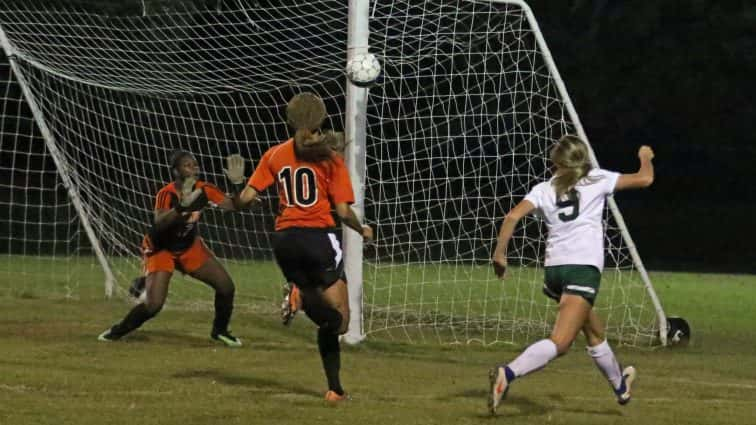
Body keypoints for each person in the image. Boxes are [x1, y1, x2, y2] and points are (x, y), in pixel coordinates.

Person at [488, 135, 655, 415]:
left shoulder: (544, 188)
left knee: (593, 331)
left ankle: (620, 387)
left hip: (555, 271)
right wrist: (645, 157)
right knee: (561, 342)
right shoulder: (596, 179)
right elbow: (645, 179)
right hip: (582, 268)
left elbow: (511, 217)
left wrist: (499, 255)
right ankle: (508, 373)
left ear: (556, 162)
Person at [236, 92, 372, 402]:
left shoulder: (274, 155)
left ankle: (335, 390)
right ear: (320, 120)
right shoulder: (330, 158)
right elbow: (341, 211)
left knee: (324, 313)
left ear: (291, 120)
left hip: (284, 243)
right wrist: (361, 228)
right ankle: (333, 386)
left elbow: (245, 198)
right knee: (340, 321)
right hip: (317, 240)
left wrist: (234, 193)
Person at [98, 150, 251, 347]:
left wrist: (239, 184)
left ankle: (220, 331)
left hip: (188, 247)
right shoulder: (166, 193)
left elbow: (234, 205)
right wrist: (181, 207)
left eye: (195, 164)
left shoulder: (204, 189)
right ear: (175, 171)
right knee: (153, 305)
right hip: (161, 249)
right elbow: (160, 223)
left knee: (226, 287)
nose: (193, 168)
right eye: (187, 165)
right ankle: (117, 331)